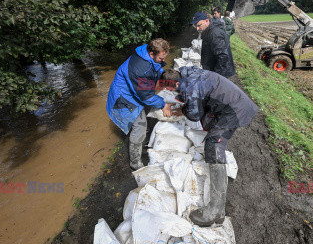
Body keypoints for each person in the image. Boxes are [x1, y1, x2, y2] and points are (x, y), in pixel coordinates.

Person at [161, 67, 259, 226]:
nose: (169, 90)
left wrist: (183, 109)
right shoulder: (189, 74)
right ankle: (217, 208)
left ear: (174, 83)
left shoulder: (190, 87)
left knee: (213, 145)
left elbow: (194, 114)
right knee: (210, 131)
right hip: (229, 103)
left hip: (235, 110)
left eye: (169, 88)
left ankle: (216, 210)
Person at [106, 38, 173, 170]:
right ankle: (135, 163)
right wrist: (163, 105)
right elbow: (145, 96)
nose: (162, 60)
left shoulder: (147, 53)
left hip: (134, 91)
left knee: (146, 112)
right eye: (161, 57)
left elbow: (156, 68)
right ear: (151, 53)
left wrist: (166, 77)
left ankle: (143, 137)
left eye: (164, 57)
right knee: (140, 127)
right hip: (124, 97)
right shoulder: (140, 69)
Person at [190, 11, 236, 78]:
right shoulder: (207, 30)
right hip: (213, 69)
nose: (197, 28)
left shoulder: (214, 34)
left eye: (199, 25)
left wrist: (214, 77)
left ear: (206, 21)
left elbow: (223, 57)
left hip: (222, 74)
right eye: (195, 26)